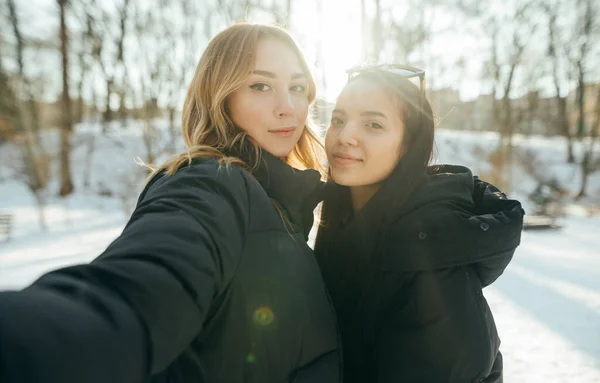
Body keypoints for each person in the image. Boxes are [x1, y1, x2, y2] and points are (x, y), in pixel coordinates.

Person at [0, 23, 341, 383]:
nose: (287, 107)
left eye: (298, 87)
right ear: (221, 98)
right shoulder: (211, 184)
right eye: (261, 85)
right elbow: (138, 292)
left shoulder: (282, 205)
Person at [314, 65, 524, 383]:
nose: (345, 137)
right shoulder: (343, 223)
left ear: (409, 145)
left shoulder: (429, 257)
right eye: (338, 119)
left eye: (373, 124)